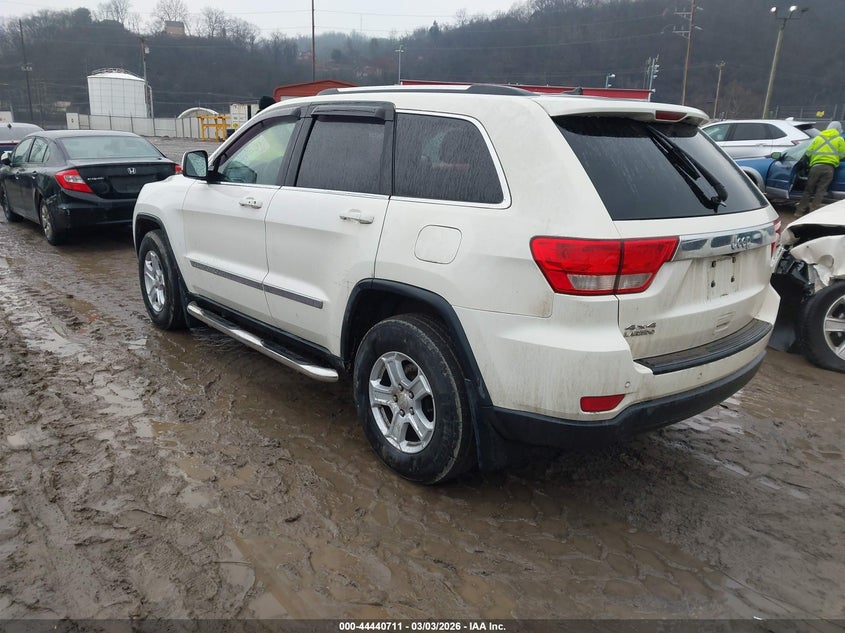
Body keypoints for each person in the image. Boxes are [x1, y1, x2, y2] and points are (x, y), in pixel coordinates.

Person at [795, 120, 845, 216]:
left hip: (815, 167)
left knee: (808, 190)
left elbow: (808, 152)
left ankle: (799, 212)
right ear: (839, 129)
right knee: (820, 191)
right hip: (829, 168)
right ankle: (812, 213)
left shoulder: (818, 138)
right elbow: (842, 155)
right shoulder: (839, 139)